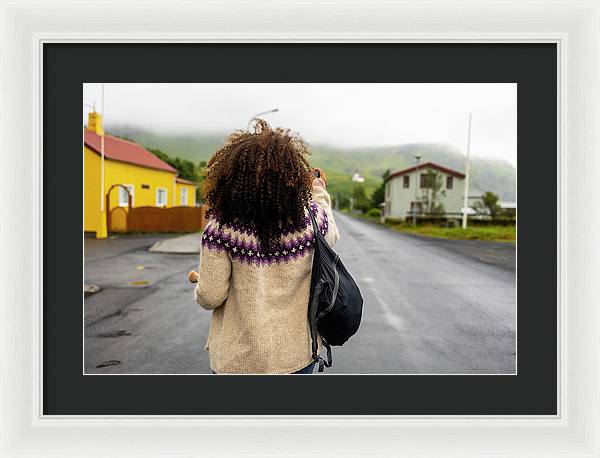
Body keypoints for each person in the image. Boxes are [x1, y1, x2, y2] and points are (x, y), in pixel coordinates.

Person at [194, 119, 339, 374]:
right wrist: (319, 192)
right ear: (292, 177)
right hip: (297, 357)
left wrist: (200, 285)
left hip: (237, 361)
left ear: (231, 177)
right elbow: (332, 234)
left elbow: (210, 296)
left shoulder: (220, 229)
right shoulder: (312, 220)